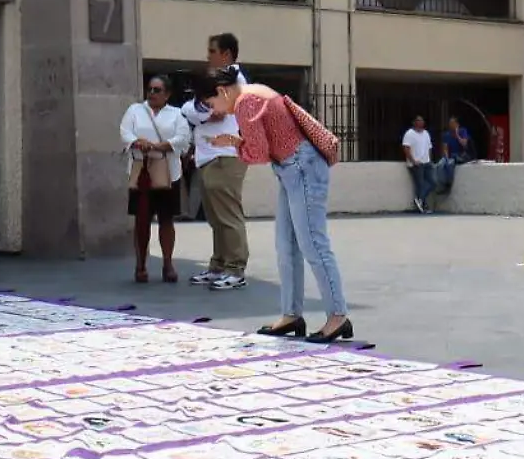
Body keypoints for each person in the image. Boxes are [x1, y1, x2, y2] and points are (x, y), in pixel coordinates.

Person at [206, 65, 351, 343]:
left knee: (313, 244)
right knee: (286, 245)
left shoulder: (246, 102)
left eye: (212, 103)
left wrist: (235, 145)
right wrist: (237, 141)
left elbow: (258, 153)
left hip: (302, 167)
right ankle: (291, 314)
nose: (216, 110)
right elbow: (265, 144)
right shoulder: (251, 94)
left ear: (222, 91)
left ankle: (338, 316)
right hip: (292, 168)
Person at [181, 33, 251, 290]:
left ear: (227, 54)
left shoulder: (236, 79)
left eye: (212, 51)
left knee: (228, 215)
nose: (208, 55)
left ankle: (235, 268)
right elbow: (190, 109)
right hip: (207, 156)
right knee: (215, 216)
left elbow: (219, 110)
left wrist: (204, 112)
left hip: (226, 156)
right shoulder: (213, 82)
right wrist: (202, 112)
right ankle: (219, 265)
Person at [120, 75, 191, 284]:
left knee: (166, 219)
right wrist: (137, 142)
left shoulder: (176, 114)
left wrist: (162, 145)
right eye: (150, 89)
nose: (152, 93)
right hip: (142, 171)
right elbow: (125, 132)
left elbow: (183, 138)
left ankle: (168, 263)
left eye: (157, 90)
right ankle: (140, 264)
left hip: (168, 172)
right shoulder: (135, 110)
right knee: (141, 219)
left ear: (167, 94)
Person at [402, 115, 435, 213]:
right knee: (420, 184)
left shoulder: (426, 133)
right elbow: (406, 149)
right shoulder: (409, 134)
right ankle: (422, 204)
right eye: (418, 120)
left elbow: (429, 147)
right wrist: (413, 161)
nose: (421, 122)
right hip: (416, 164)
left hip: (426, 162)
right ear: (414, 122)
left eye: (422, 120)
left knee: (432, 183)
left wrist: (429, 159)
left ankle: (419, 199)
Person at [433, 115, 473, 196]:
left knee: (450, 164)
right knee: (440, 164)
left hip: (460, 155)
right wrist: (446, 157)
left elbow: (464, 144)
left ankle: (449, 184)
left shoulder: (462, 131)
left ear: (457, 124)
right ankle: (442, 184)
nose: (451, 125)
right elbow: (445, 148)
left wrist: (457, 135)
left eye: (453, 123)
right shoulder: (446, 134)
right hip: (450, 155)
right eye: (450, 123)